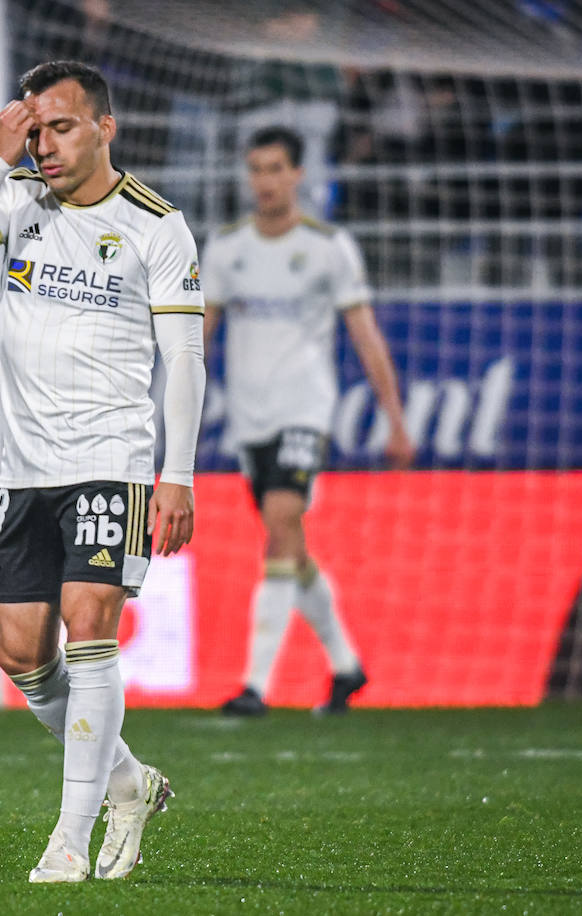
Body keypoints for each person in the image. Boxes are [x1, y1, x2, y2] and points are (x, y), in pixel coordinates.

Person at [0, 60, 206, 883]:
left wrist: (176, 475)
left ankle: (68, 840)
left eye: (62, 127)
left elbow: (182, 357)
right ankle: (128, 782)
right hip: (26, 470)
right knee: (21, 655)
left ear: (105, 127)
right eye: (36, 129)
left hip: (111, 459)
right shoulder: (16, 204)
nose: (45, 144)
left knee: (91, 626)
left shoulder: (156, 226)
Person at [200, 125, 415, 718]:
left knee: (281, 520)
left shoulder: (328, 247)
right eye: (256, 169)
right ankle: (347, 668)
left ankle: (254, 687)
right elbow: (199, 336)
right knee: (288, 545)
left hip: (305, 410)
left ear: (297, 174)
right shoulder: (225, 247)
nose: (264, 181)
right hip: (249, 418)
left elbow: (366, 337)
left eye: (275, 169)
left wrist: (395, 419)